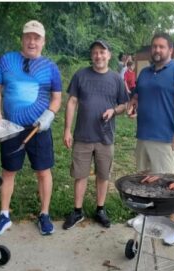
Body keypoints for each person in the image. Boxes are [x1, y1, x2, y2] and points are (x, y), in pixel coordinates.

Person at [0, 20, 62, 236]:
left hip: (39, 128)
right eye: (28, 36)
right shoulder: (6, 60)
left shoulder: (50, 67)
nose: (32, 41)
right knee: (9, 170)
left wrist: (49, 115)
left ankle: (45, 214)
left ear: (43, 41)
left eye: (36, 37)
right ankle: (4, 215)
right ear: (22, 39)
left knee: (43, 170)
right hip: (10, 126)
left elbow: (57, 98)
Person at [127, 33, 174, 245]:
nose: (157, 50)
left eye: (161, 47)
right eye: (154, 46)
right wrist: (132, 105)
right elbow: (137, 96)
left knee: (167, 186)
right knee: (143, 181)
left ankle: (173, 226)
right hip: (143, 136)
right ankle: (144, 216)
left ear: (170, 50)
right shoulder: (145, 73)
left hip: (165, 139)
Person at [63, 40, 129, 230]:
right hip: (83, 135)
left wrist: (113, 111)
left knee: (103, 175)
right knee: (80, 175)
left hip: (105, 137)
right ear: (91, 56)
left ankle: (100, 209)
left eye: (102, 52)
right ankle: (77, 211)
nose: (98, 56)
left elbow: (124, 105)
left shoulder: (116, 79)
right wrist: (67, 130)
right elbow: (72, 102)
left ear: (109, 55)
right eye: (95, 53)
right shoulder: (80, 75)